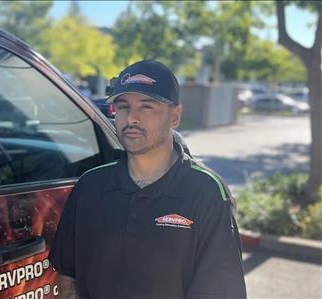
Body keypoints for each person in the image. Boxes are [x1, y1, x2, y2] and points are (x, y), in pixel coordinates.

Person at [49, 60, 247, 299]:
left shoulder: (206, 192)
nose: (131, 118)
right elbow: (68, 276)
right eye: (123, 107)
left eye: (147, 106)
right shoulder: (90, 186)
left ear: (175, 117)